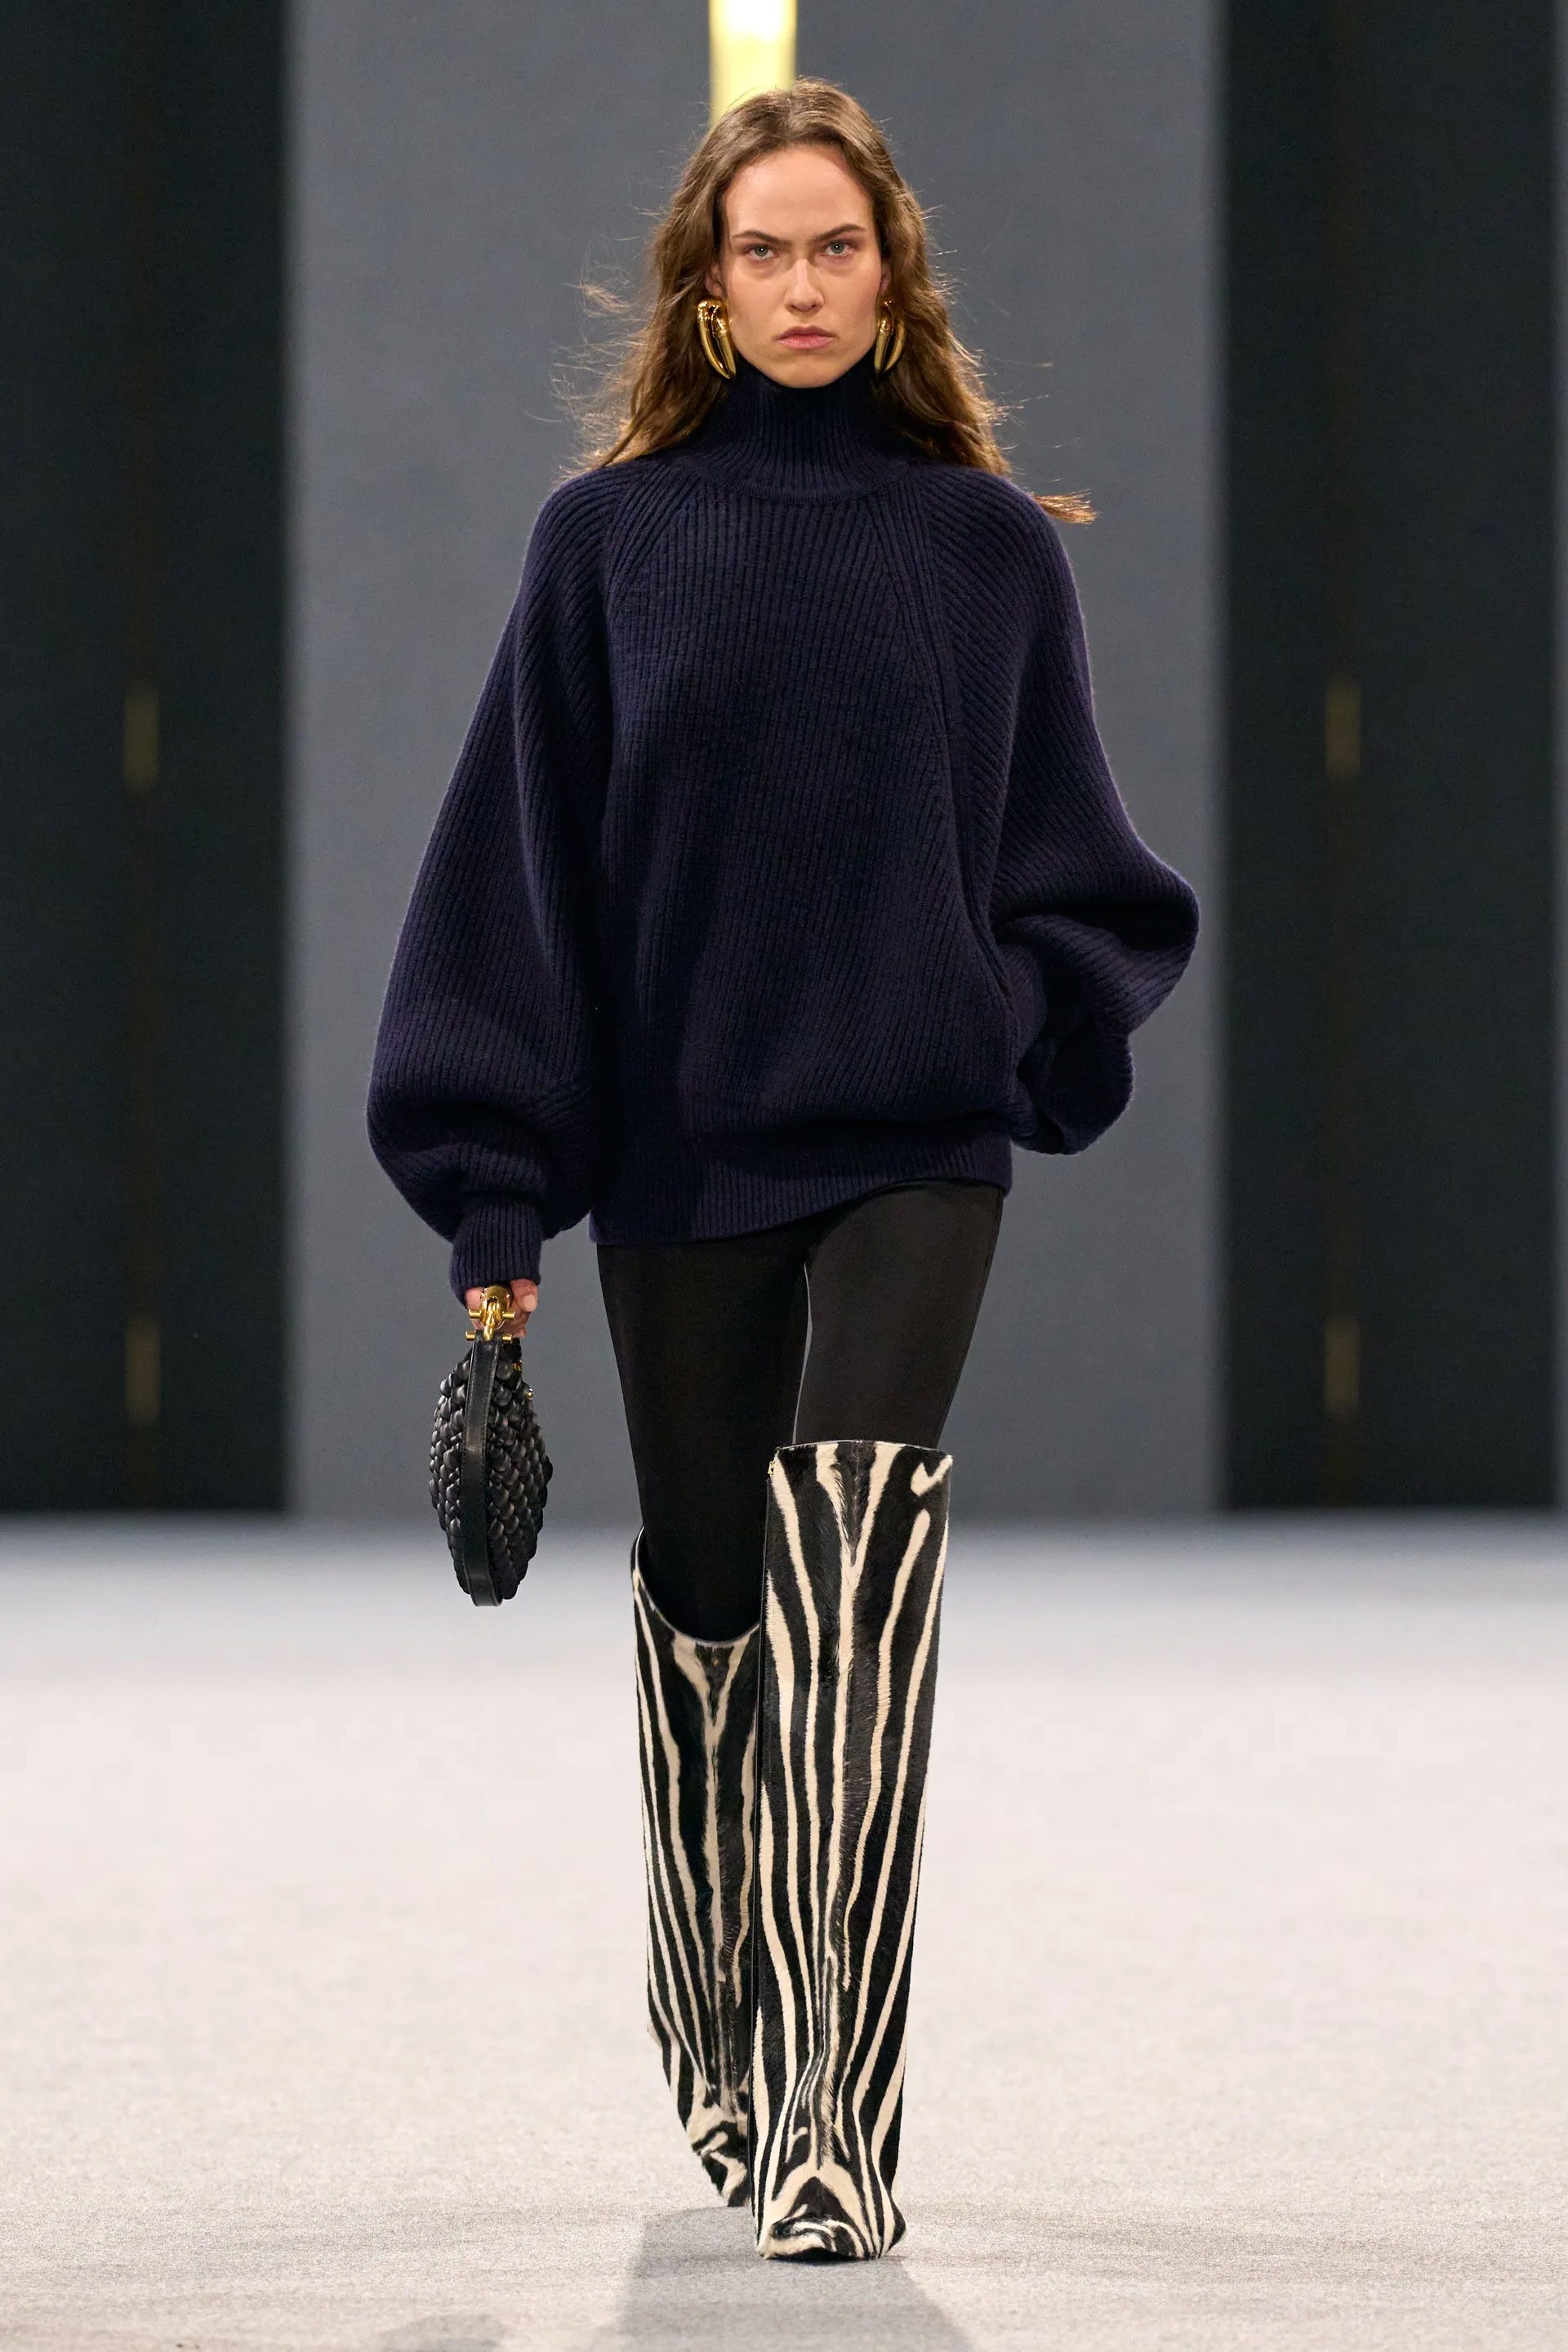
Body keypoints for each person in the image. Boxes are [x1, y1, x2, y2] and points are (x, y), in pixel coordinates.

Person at [368, 79, 1197, 2260]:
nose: (805, 286)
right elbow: (516, 880)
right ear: (706, 287)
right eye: (765, 251)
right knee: (712, 1584)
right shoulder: (609, 546)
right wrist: (493, 1194)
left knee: (863, 1550)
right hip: (684, 1135)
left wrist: (1007, 1022)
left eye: (839, 247)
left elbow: (1081, 867)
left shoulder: (990, 552)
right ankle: (719, 2009)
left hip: (915, 1132)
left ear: (891, 273)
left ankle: (841, 2106)